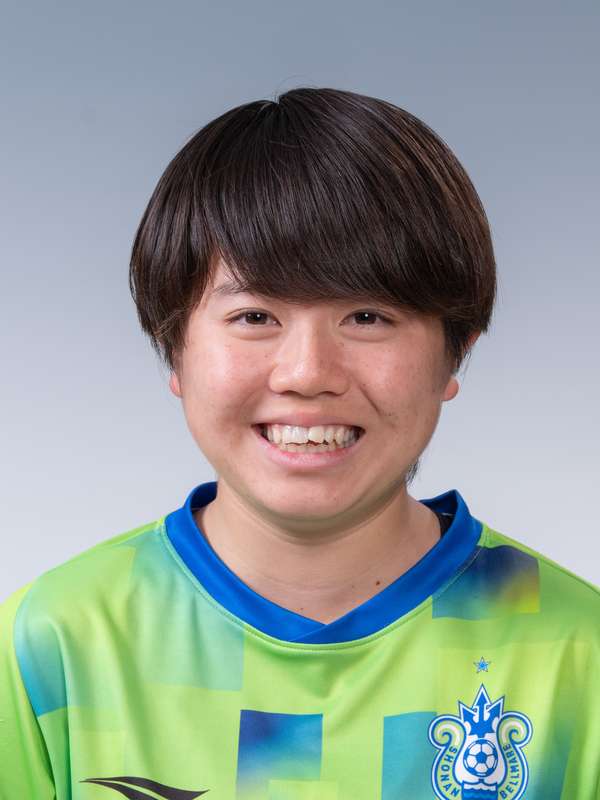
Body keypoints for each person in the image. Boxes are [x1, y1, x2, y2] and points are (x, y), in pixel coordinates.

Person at [1, 87, 598, 800]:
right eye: (255, 316)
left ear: (455, 351)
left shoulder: (581, 654)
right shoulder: (49, 644)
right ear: (173, 348)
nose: (308, 374)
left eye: (368, 316)